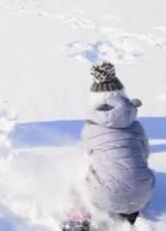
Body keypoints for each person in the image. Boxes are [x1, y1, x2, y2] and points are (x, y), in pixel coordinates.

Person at [65, 62, 155, 230]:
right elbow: (145, 153)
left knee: (77, 173)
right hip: (141, 195)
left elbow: (89, 160)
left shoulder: (91, 129)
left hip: (105, 196)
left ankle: (79, 217)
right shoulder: (135, 126)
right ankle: (129, 213)